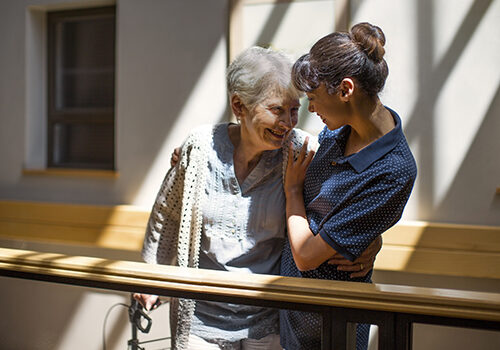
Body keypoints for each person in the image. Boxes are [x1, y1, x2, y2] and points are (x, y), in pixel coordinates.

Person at [134, 46, 381, 350]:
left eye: (294, 109)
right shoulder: (200, 148)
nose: (288, 122)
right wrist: (149, 275)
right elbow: (168, 214)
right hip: (200, 320)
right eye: (277, 110)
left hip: (270, 321)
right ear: (240, 106)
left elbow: (348, 200)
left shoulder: (302, 151)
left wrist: (370, 241)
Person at [280, 22, 417, 350]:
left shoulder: (394, 170)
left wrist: (292, 191)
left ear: (345, 90)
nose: (310, 109)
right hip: (292, 311)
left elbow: (306, 256)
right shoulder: (337, 132)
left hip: (331, 323)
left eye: (313, 98)